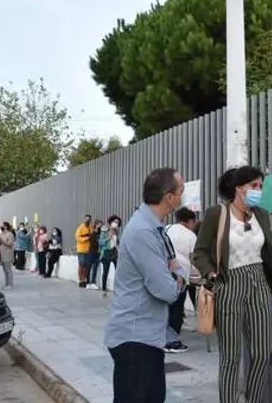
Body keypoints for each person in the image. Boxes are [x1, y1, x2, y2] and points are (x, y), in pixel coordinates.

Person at [193, 166, 272, 403]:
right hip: (230, 283)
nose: (258, 191)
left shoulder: (261, 215)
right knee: (230, 358)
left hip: (259, 283)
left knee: (262, 353)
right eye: (254, 186)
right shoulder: (218, 214)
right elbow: (199, 252)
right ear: (238, 188)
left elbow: (269, 256)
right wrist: (211, 273)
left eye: (261, 186)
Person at [104, 168, 186, 403]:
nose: (182, 196)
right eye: (181, 190)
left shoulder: (153, 228)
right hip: (135, 340)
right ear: (168, 197)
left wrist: (174, 273)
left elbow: (172, 267)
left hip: (148, 337)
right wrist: (179, 278)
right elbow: (166, 289)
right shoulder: (143, 232)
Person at [164, 207, 198, 353]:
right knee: (177, 309)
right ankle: (171, 342)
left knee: (164, 308)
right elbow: (194, 258)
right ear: (189, 221)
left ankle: (161, 337)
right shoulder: (190, 235)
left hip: (163, 273)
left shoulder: (167, 229)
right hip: (180, 276)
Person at [98, 216, 121, 297]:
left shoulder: (117, 232)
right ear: (111, 222)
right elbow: (101, 243)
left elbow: (117, 243)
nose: (116, 223)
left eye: (117, 222)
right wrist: (108, 238)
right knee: (106, 272)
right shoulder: (105, 231)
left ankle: (118, 289)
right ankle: (104, 290)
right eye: (115, 222)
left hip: (114, 252)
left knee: (119, 271)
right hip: (106, 253)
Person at [75, 215, 92, 288]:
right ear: (84, 219)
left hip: (88, 249)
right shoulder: (80, 227)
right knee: (81, 264)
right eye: (86, 219)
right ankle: (80, 280)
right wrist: (86, 239)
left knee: (86, 265)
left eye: (89, 219)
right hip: (81, 249)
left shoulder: (90, 228)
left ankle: (84, 280)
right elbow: (77, 237)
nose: (87, 221)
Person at [86, 219, 103, 289]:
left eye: (101, 225)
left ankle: (93, 282)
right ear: (95, 225)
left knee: (95, 267)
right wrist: (98, 242)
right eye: (99, 224)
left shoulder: (101, 233)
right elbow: (92, 244)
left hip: (98, 253)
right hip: (92, 252)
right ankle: (87, 283)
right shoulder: (93, 233)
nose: (100, 226)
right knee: (89, 267)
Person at [0, 222, 15, 289]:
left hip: (7, 253)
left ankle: (10, 284)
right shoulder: (1, 234)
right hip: (2, 253)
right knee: (4, 270)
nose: (1, 227)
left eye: (2, 226)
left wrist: (2, 240)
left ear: (6, 226)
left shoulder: (10, 234)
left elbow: (10, 244)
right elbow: (0, 242)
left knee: (8, 270)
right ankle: (6, 283)